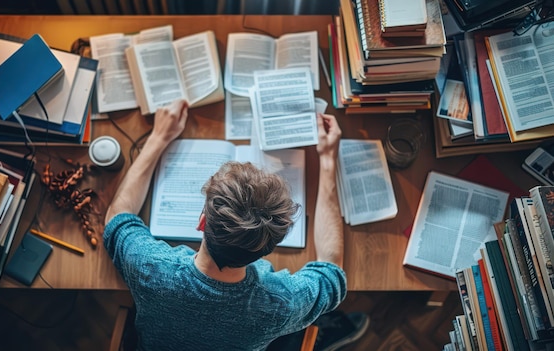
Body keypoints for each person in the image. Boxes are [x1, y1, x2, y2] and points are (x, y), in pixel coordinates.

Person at [104, 99, 369, 350]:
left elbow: (117, 216)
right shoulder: (280, 304)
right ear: (268, 249)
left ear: (201, 222)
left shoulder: (151, 268)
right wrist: (327, 160)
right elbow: (332, 270)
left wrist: (158, 137)